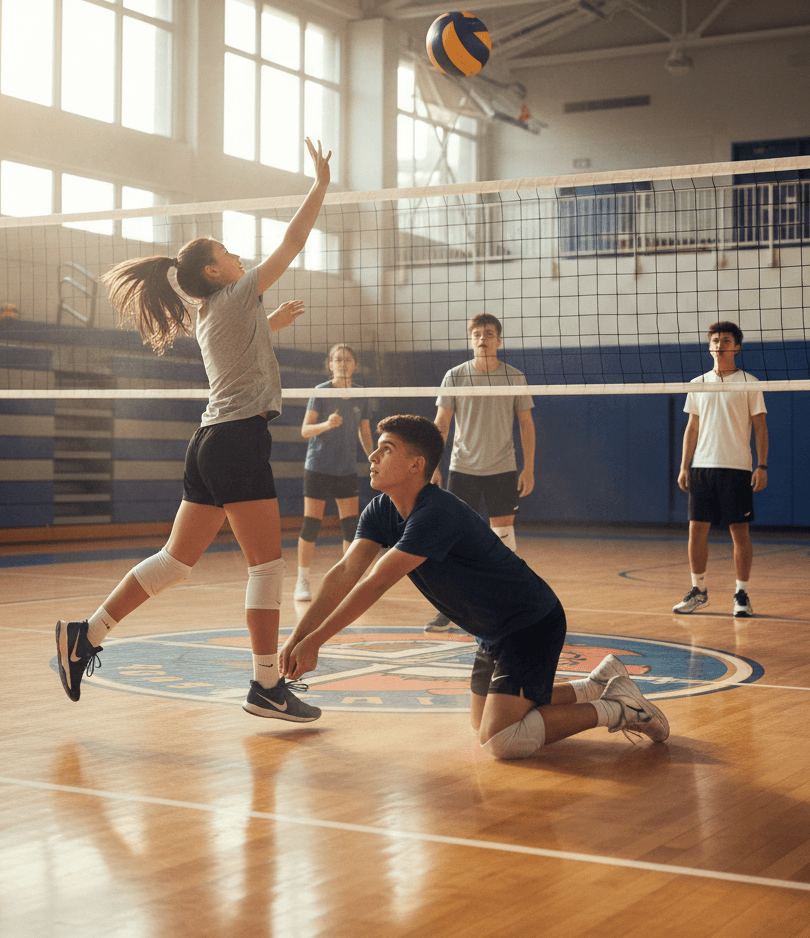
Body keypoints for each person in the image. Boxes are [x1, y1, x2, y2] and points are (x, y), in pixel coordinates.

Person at [55, 137, 331, 723]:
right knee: (267, 567)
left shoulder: (217, 310)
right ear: (215, 270)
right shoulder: (234, 296)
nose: (238, 256)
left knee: (175, 564)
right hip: (235, 440)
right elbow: (294, 241)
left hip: (208, 443)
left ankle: (86, 634)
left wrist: (269, 323)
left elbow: (242, 355)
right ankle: (264, 685)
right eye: (229, 252)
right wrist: (320, 186)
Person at [279, 414, 669, 760]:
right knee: (480, 723)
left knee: (502, 740)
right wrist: (298, 636)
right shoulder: (382, 509)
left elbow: (375, 583)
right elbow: (346, 571)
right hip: (493, 632)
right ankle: (594, 684)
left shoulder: (436, 513)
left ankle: (621, 709)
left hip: (530, 623)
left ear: (416, 464)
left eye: (385, 449)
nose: (372, 457)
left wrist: (317, 641)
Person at [424, 313, 535, 633]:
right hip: (463, 468)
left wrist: (529, 468)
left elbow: (526, 424)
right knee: (455, 540)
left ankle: (509, 602)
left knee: (503, 540)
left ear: (499, 340)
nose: (482, 338)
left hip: (502, 468)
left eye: (488, 333)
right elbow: (441, 425)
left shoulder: (514, 377)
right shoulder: (455, 376)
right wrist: (433, 467)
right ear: (470, 340)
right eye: (476, 334)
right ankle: (451, 607)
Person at [674, 321, 768, 618]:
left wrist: (762, 465)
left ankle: (741, 594)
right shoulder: (698, 382)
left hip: (737, 467)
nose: (719, 344)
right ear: (709, 345)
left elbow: (761, 427)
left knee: (739, 533)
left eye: (725, 340)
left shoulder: (749, 382)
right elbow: (693, 426)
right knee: (695, 531)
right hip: (702, 467)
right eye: (715, 340)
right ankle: (698, 591)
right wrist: (684, 465)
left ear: (736, 347)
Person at [294, 343, 374, 600]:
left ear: (354, 365)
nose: (342, 363)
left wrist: (373, 457)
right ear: (330, 365)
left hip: (346, 468)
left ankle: (347, 581)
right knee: (311, 524)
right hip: (318, 467)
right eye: (337, 359)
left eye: (347, 359)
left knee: (350, 526)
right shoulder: (321, 391)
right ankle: (302, 581)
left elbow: (365, 431)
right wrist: (326, 425)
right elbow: (305, 430)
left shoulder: (361, 394)